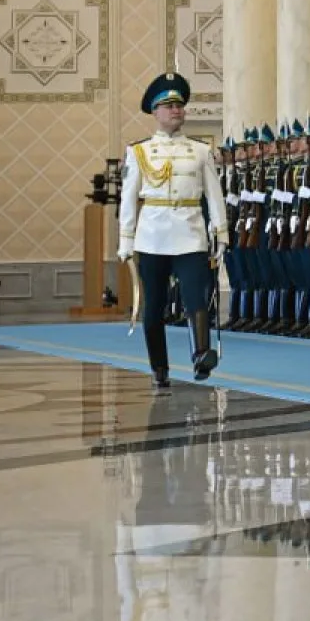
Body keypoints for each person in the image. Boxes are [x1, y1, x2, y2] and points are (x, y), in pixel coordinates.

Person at [118, 71, 228, 391]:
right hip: (153, 237)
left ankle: (201, 354)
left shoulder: (200, 151)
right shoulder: (139, 152)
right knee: (154, 306)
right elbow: (128, 199)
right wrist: (125, 240)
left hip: (190, 233)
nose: (176, 110)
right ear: (155, 112)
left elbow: (214, 194)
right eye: (169, 106)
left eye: (179, 105)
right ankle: (159, 367)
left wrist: (221, 232)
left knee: (196, 295)